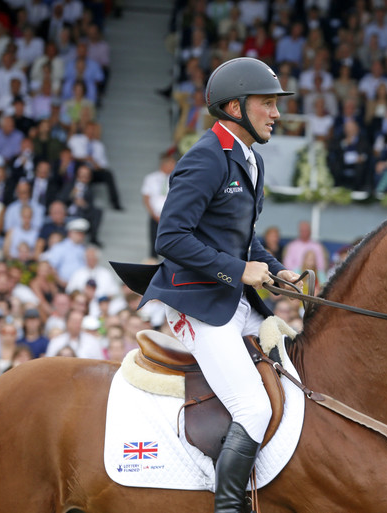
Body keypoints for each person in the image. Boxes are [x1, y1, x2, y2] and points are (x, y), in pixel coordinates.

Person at [112, 58, 299, 513]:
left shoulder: (247, 157)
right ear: (234, 106)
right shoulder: (205, 157)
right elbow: (170, 237)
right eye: (267, 104)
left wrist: (276, 270)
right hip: (197, 304)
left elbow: (240, 237)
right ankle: (229, 506)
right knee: (253, 408)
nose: (276, 113)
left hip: (230, 298)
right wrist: (239, 272)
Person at [141, 151, 175, 258]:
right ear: (164, 164)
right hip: (155, 215)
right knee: (153, 240)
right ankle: (153, 261)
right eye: (171, 164)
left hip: (170, 216)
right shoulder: (151, 178)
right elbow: (146, 198)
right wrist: (153, 214)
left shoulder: (176, 179)